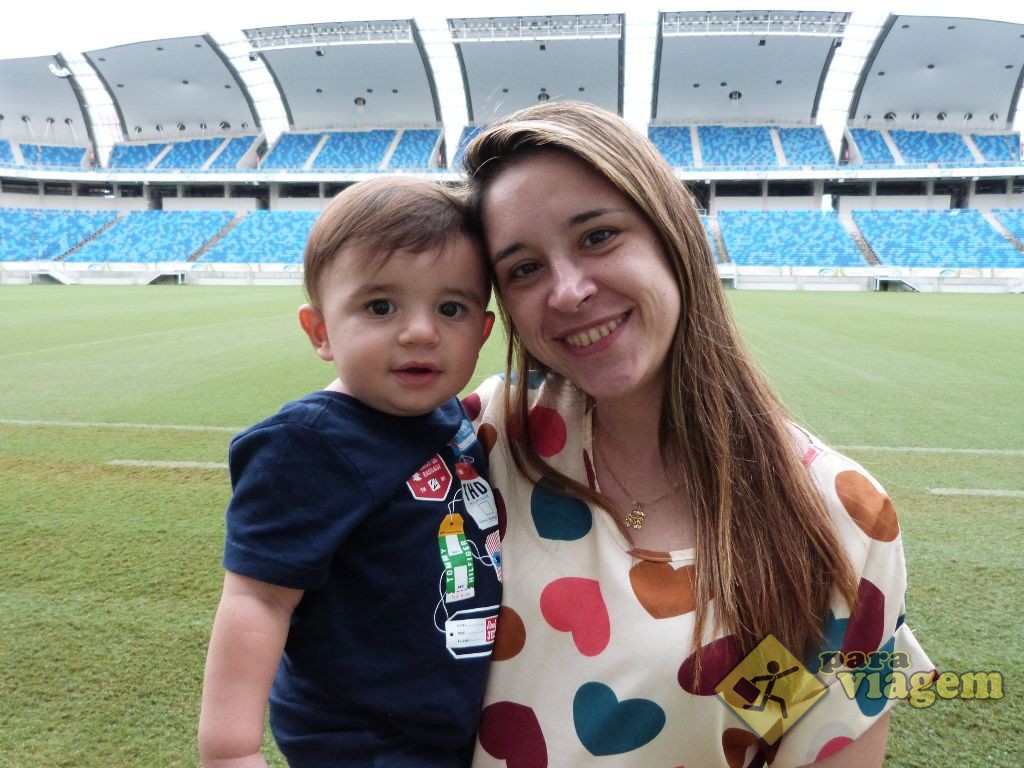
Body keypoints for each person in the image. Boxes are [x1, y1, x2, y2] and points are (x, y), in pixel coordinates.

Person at [459, 102, 933, 767]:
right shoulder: (473, 447)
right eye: (523, 269)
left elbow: (800, 738)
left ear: (672, 234)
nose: (566, 292)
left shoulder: (841, 521)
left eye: (597, 236)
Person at [198, 177, 502, 768]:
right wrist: (231, 751)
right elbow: (257, 601)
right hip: (364, 743)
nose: (421, 331)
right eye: (381, 306)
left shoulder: (450, 417)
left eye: (451, 308)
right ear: (321, 332)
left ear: (482, 332)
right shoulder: (307, 444)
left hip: (453, 729)